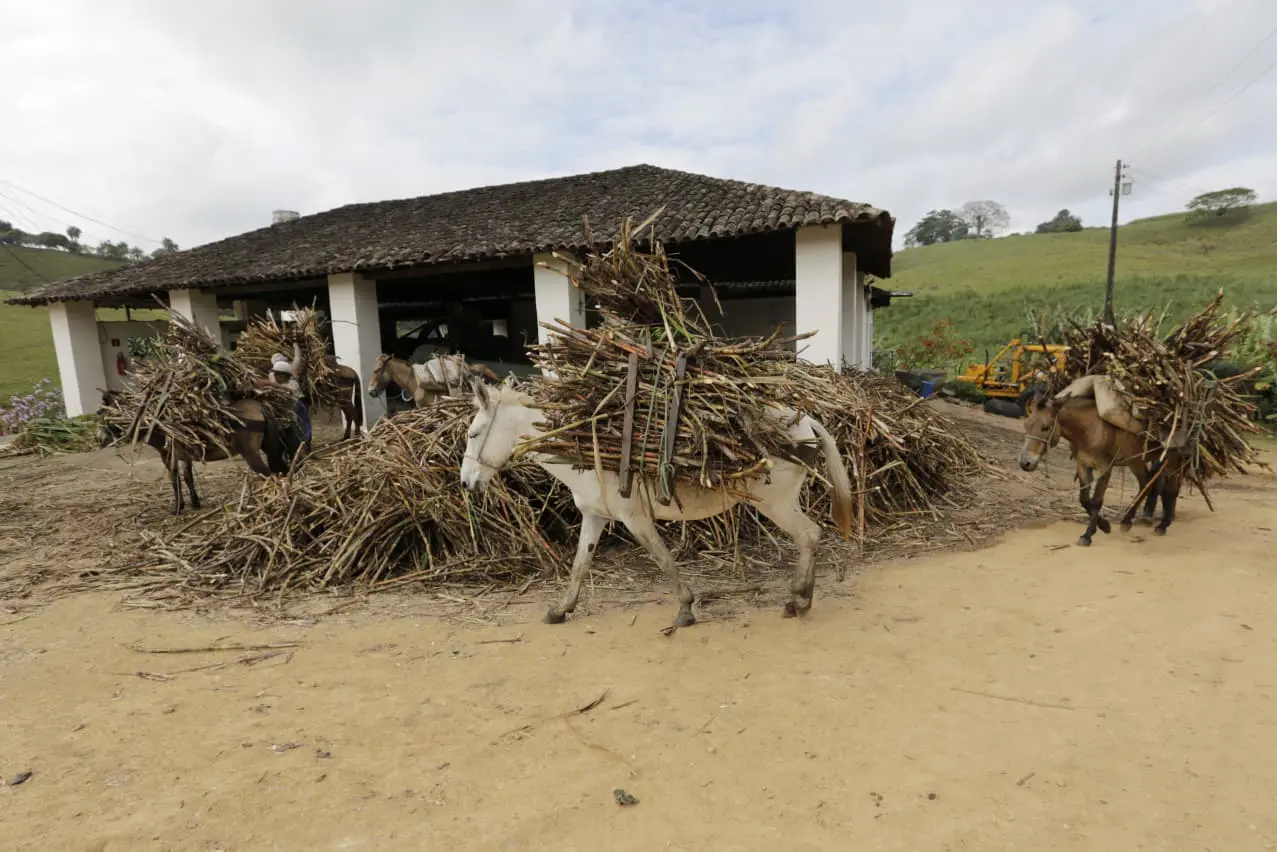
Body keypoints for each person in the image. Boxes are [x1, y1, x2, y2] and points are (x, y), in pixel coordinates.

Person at [268, 347, 311, 461]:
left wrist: (270, 387)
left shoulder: (292, 385)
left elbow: (283, 393)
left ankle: (301, 454)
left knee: (295, 442)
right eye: (275, 374)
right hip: (279, 421)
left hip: (290, 420)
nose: (276, 376)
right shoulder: (275, 381)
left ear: (286, 375)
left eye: (279, 375)